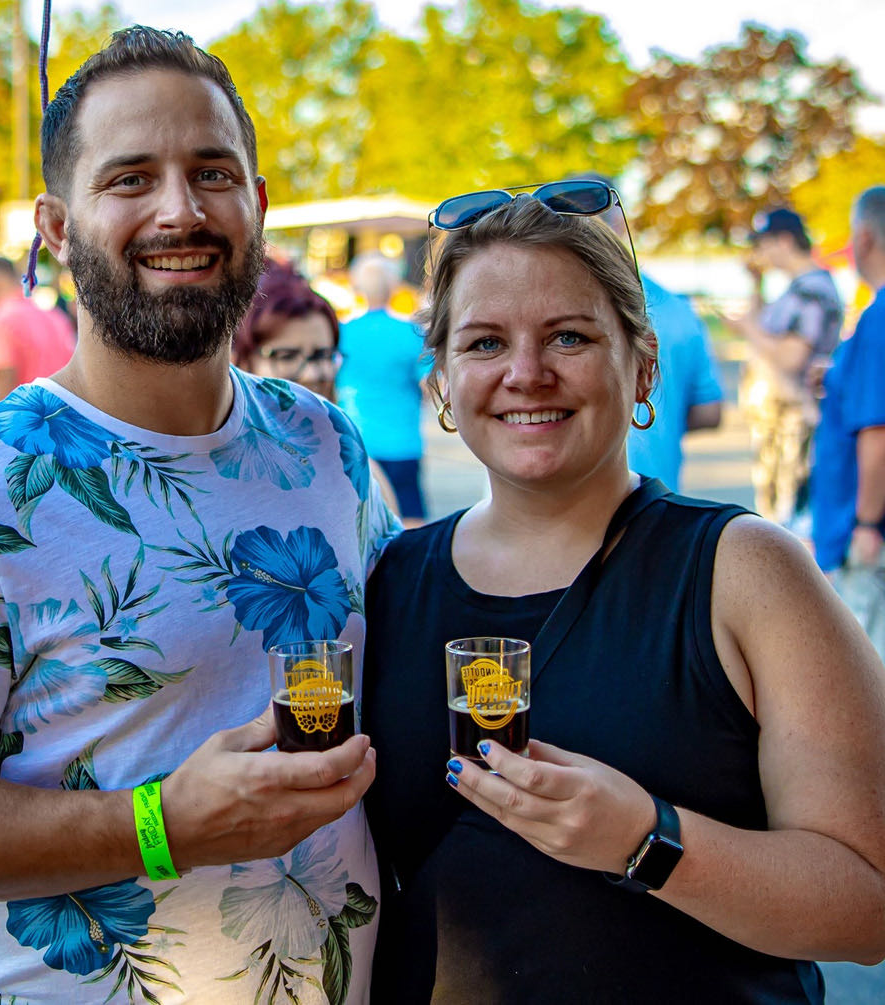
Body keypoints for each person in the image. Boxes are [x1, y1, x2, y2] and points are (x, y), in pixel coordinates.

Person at [0, 26, 396, 1002]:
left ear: (257, 208)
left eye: (212, 172)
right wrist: (159, 825)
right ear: (56, 229)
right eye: (130, 179)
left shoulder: (327, 447)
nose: (180, 210)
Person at [361, 188, 885, 1001]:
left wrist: (645, 841)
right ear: (443, 383)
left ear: (641, 365)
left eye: (568, 335)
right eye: (485, 341)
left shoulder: (745, 570)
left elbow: (866, 902)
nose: (525, 373)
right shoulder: (389, 582)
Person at [569, 172, 723, 493]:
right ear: (620, 223)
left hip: (566, 506)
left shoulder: (543, 304)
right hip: (656, 502)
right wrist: (657, 419)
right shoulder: (678, 309)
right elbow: (708, 410)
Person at [235, 263, 405, 519]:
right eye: (287, 356)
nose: (312, 374)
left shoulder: (361, 474)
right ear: (241, 359)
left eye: (322, 356)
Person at [734, 207, 845, 523]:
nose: (760, 253)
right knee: (774, 517)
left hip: (794, 428)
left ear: (784, 241)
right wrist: (756, 285)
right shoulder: (795, 290)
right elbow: (763, 328)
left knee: (788, 525)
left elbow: (791, 357)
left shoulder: (811, 290)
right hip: (778, 428)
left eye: (764, 244)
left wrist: (747, 329)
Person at [811, 187, 885, 633]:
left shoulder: (878, 318)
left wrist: (867, 523)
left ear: (864, 238)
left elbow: (877, 429)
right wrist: (837, 376)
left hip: (868, 535)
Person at [337, 253, 432, 523]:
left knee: (358, 523)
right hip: (402, 443)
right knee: (411, 518)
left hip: (356, 442)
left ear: (357, 287)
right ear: (394, 286)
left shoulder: (342, 333)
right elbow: (430, 386)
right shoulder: (412, 334)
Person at [0, 254, 77, 409]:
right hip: (60, 421)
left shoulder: (0, 320)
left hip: (21, 425)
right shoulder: (56, 317)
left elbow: (3, 378)